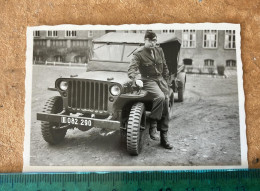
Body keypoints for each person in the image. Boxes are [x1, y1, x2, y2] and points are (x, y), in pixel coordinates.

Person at [128, 30, 173, 149]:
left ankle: (164, 137)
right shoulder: (139, 53)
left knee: (166, 103)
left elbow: (165, 67)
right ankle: (152, 125)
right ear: (145, 40)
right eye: (150, 41)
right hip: (147, 80)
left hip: (160, 80)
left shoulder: (159, 50)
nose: (153, 43)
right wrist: (135, 80)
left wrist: (167, 82)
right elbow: (132, 69)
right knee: (160, 97)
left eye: (155, 41)